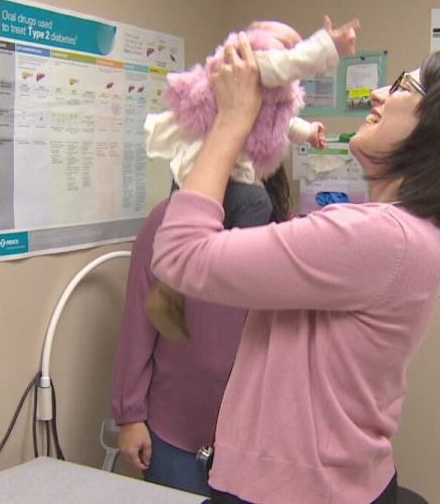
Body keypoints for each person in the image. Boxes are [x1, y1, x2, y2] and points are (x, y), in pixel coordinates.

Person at [150, 34, 440, 503]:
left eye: (405, 87)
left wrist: (230, 122)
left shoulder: (382, 238)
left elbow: (180, 255)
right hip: (338, 482)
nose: (378, 94)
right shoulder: (415, 237)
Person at [144, 17, 359, 342]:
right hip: (201, 173)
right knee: (254, 202)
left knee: (244, 205)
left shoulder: (261, 99)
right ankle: (231, 272)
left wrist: (309, 131)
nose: (287, 52)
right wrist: (330, 46)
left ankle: (176, 289)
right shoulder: (249, 63)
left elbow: (285, 123)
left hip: (206, 180)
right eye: (283, 45)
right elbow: (286, 64)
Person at [111, 168, 292, 497]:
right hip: (173, 435)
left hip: (258, 441)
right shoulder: (167, 224)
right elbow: (137, 326)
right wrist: (130, 416)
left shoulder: (285, 234)